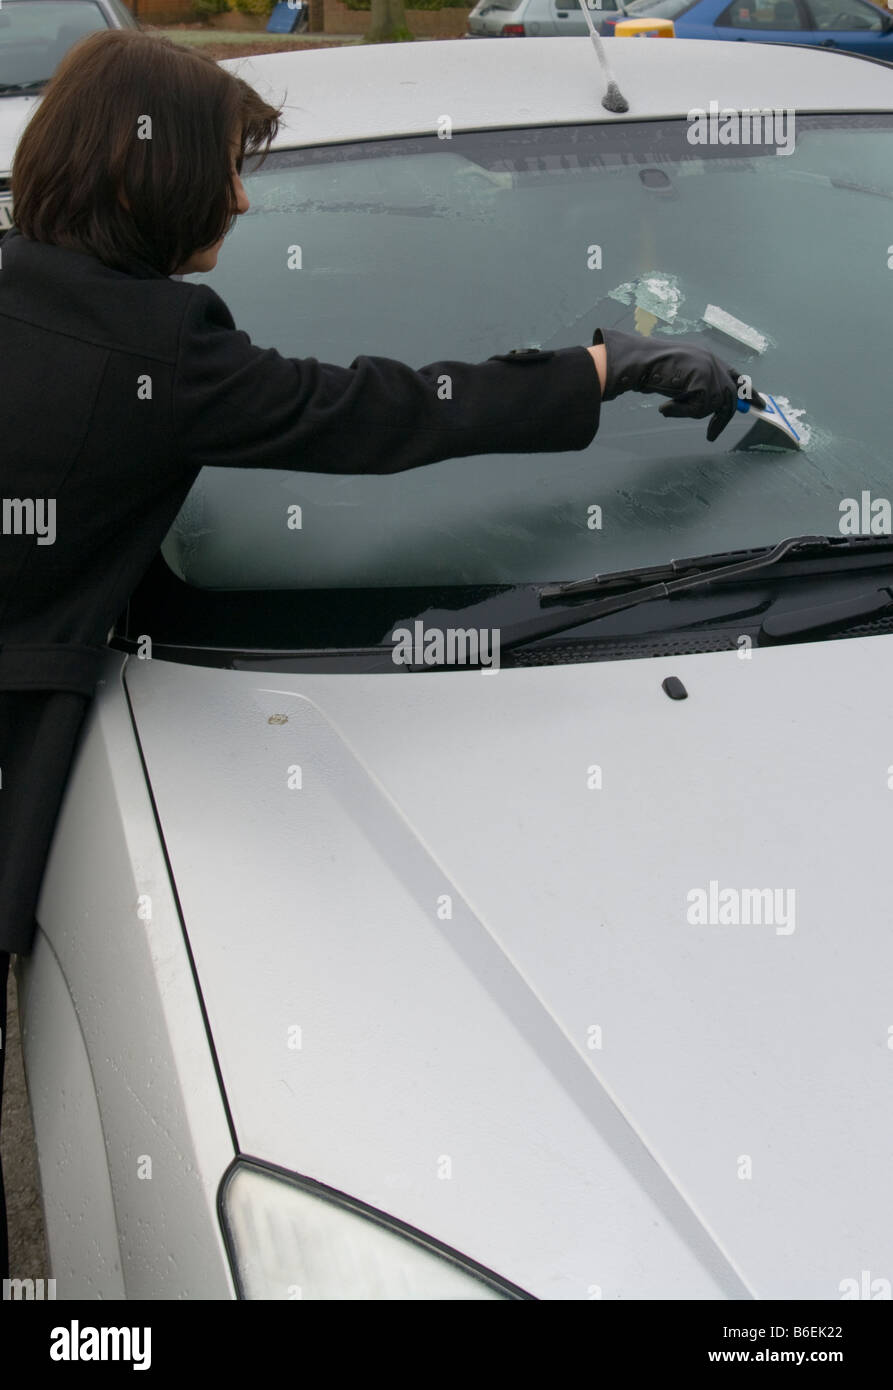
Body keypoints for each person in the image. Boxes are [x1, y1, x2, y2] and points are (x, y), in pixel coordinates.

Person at [0, 28, 758, 1282]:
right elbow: (380, 413)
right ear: (146, 178)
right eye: (224, 168)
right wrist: (601, 368)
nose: (241, 198)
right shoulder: (157, 351)